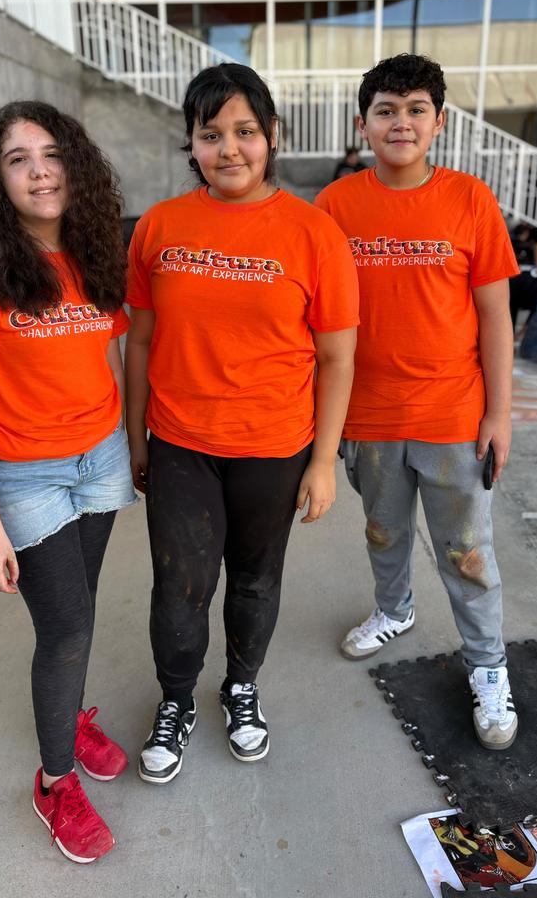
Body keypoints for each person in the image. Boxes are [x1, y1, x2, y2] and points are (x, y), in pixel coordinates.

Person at [125, 63, 359, 784]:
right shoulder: (160, 227)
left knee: (255, 580)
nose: (229, 149)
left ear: (272, 137)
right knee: (178, 587)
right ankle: (175, 699)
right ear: (191, 143)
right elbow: (138, 340)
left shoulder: (315, 233)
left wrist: (322, 462)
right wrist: (136, 440)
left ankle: (241, 687)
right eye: (210, 134)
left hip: (275, 447)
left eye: (245, 132)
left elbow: (336, 358)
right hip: (181, 445)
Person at [0, 101, 136, 863]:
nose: (40, 170)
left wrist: (128, 441)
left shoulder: (93, 251)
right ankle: (54, 781)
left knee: (75, 609)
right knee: (68, 626)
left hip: (101, 459)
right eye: (18, 159)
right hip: (27, 475)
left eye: (51, 154)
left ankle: (72, 716)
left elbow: (108, 354)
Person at [314, 53, 520, 751]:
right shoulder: (335, 205)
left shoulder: (470, 200)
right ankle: (394, 609)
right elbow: (313, 318)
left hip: (452, 415)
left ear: (438, 122)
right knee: (383, 533)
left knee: (467, 552)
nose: (400, 122)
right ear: (363, 124)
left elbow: (495, 316)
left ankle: (488, 666)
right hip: (366, 418)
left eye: (415, 109)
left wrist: (499, 413)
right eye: (386, 110)